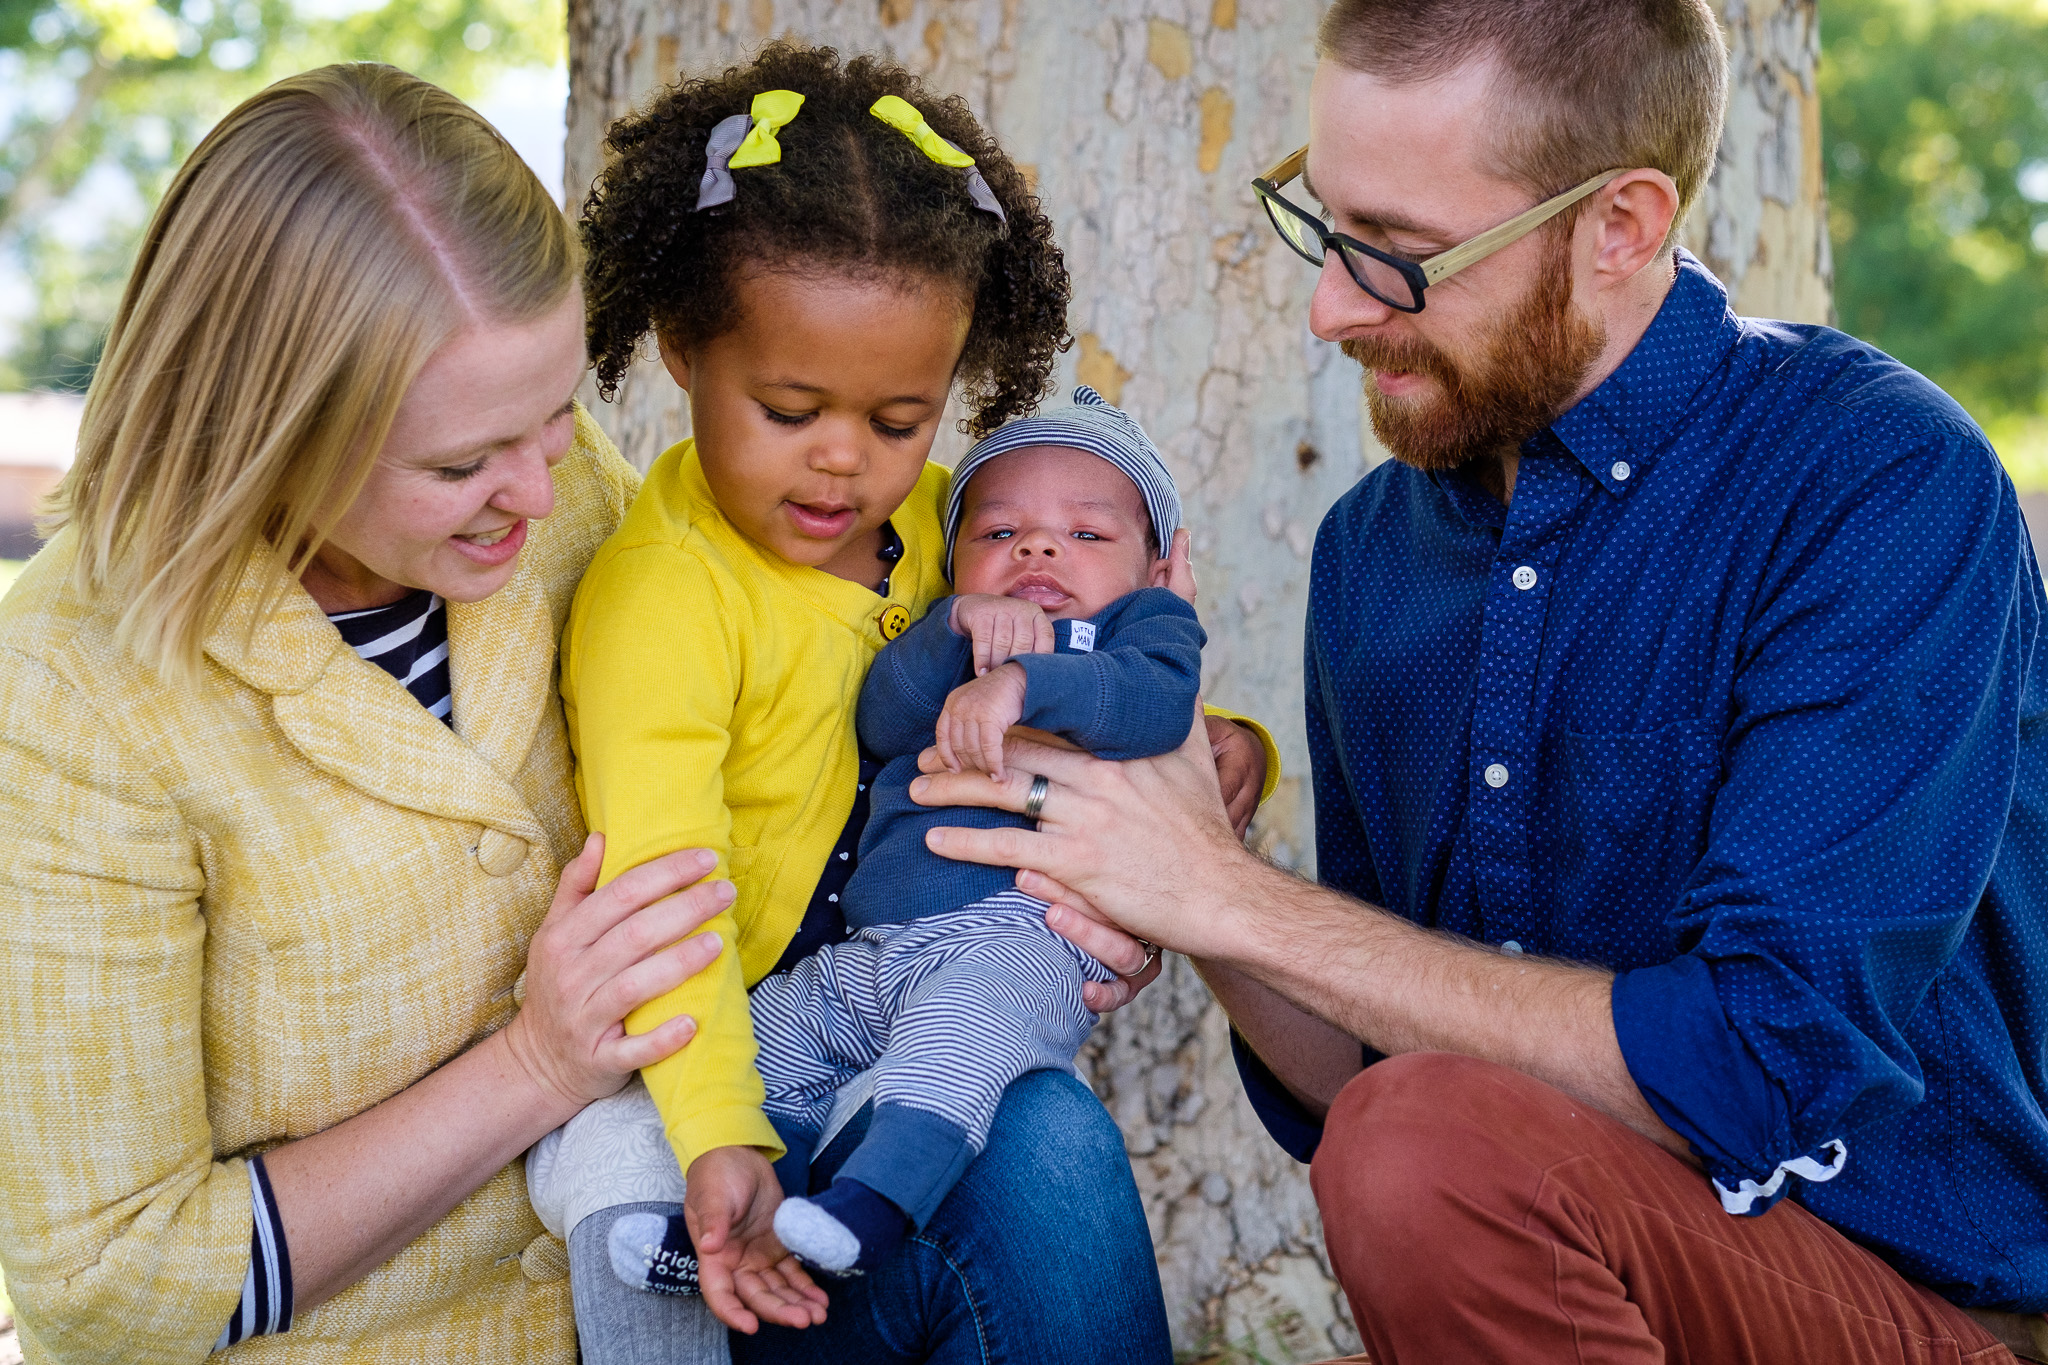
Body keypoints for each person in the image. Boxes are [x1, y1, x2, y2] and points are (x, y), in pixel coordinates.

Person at [908, 2, 2048, 1362]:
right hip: (1553, 1252)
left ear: (1619, 225)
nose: (1330, 307)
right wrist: (1183, 861)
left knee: (1425, 1151)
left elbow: (1761, 1060)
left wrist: (1235, 896)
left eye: (1395, 256)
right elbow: (1370, 1075)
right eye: (1320, 222)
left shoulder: (1875, 484)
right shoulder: (1374, 555)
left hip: (1928, 1311)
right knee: (1407, 1139)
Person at [523, 43, 1273, 1365]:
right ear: (686, 347)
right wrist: (721, 1139)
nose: (842, 462)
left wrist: (1214, 763)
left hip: (907, 1023)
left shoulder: (949, 527)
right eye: (792, 407)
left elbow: (1103, 658)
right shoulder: (663, 602)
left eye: (898, 417)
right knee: (622, 1160)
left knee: (1038, 1118)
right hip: (730, 1083)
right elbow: (667, 887)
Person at [0, 65, 739, 1364]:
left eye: (559, 409)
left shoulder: (559, 498)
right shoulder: (70, 696)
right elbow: (111, 1283)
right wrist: (537, 1069)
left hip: (661, 1275)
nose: (538, 487)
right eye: (461, 464)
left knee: (1036, 1148)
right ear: (267, 432)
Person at [719, 387, 1209, 1276]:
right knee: (758, 1040)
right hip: (877, 947)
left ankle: (870, 1210)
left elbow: (1157, 703)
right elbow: (882, 717)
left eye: (1088, 534)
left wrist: (1026, 681)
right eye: (996, 533)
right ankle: (741, 1220)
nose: (1038, 547)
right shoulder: (949, 629)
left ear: (1154, 567)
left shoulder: (1137, 628)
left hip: (1021, 938)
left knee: (958, 1036)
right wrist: (955, 630)